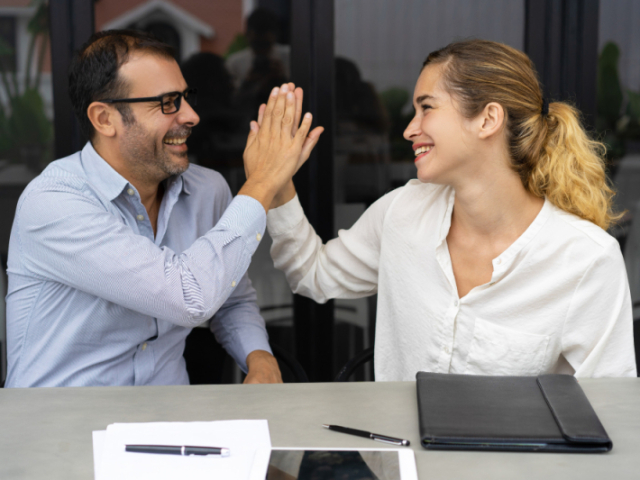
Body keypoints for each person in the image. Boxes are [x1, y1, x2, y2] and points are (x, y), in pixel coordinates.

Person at [265, 39, 637, 381]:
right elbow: (310, 274)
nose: (410, 130)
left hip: (513, 457)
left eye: (426, 107)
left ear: (488, 119)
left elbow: (608, 415)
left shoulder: (587, 260)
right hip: (398, 453)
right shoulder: (403, 212)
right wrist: (275, 180)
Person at [4, 30, 322, 387]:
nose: (191, 115)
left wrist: (259, 358)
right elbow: (188, 296)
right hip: (61, 429)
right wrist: (263, 183)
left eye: (187, 97)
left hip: (169, 426)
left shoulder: (207, 190)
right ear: (105, 118)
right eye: (168, 102)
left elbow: (230, 297)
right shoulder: (54, 201)